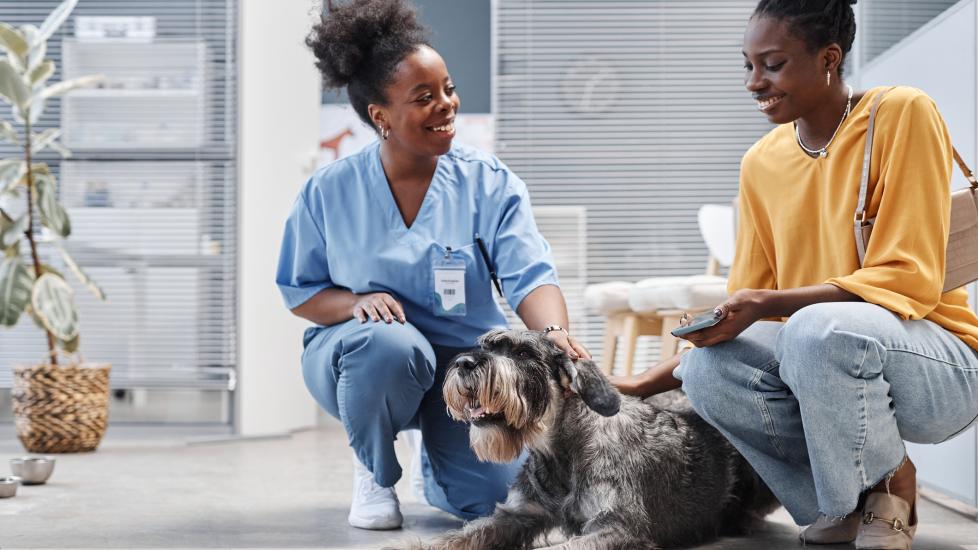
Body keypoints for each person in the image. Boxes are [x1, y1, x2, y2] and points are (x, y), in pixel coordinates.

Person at [610, 1, 978, 548]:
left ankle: (892, 483)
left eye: (773, 64)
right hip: (826, 361)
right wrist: (645, 382)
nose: (754, 81)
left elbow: (908, 279)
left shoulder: (901, 113)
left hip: (936, 366)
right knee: (711, 369)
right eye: (748, 65)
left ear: (829, 58)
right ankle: (848, 499)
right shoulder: (761, 163)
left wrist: (766, 304)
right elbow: (745, 312)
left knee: (814, 328)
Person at [276, 0, 589, 531]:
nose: (447, 105)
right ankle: (374, 467)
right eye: (425, 97)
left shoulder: (488, 182)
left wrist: (554, 332)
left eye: (447, 89)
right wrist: (354, 304)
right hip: (363, 359)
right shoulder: (329, 191)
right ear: (381, 116)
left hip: (463, 367)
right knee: (390, 344)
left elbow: (529, 273)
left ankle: (438, 462)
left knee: (499, 505)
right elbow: (300, 291)